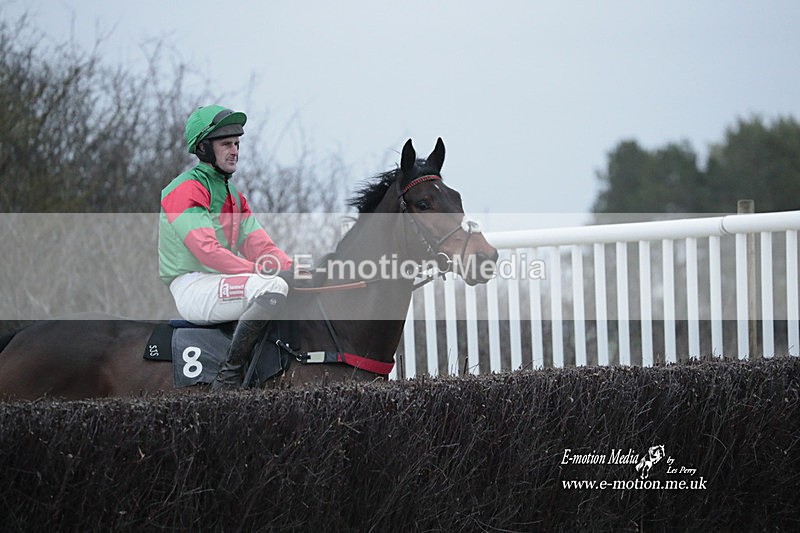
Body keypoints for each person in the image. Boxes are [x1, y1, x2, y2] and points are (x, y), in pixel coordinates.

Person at [158, 105, 292, 390]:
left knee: (289, 285)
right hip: (193, 286)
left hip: (221, 282)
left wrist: (297, 270)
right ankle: (228, 377)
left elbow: (262, 247)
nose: (235, 151)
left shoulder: (234, 196)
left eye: (237, 144)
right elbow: (207, 250)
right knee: (273, 288)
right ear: (204, 148)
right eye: (226, 144)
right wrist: (264, 272)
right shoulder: (184, 189)